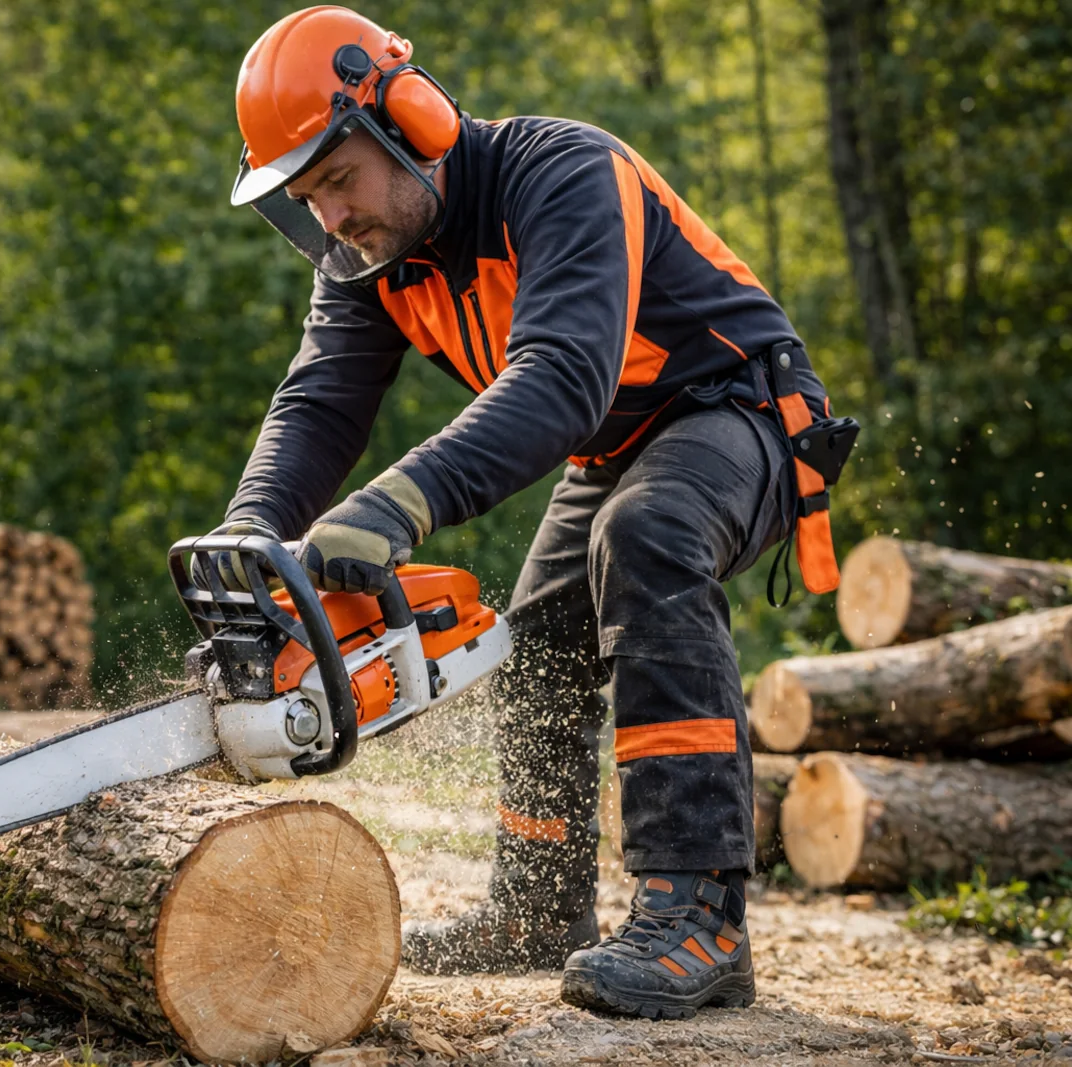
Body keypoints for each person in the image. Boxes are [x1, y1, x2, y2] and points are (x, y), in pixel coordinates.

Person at [205, 5, 855, 1019]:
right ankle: (538, 903)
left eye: (338, 179)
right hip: (616, 440)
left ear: (410, 119)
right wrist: (253, 532)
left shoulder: (560, 173)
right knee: (539, 629)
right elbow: (319, 401)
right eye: (306, 196)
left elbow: (561, 378)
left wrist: (397, 505)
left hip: (737, 405)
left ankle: (699, 916)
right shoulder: (367, 263)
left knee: (646, 539)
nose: (330, 216)